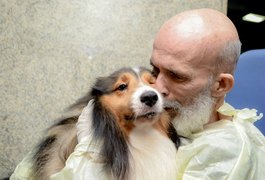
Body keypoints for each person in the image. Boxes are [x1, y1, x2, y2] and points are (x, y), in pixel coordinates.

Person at [11, 8, 265, 180]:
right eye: (155, 70)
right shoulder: (185, 122)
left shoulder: (226, 155)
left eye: (177, 76)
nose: (157, 89)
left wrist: (92, 151)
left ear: (220, 86)